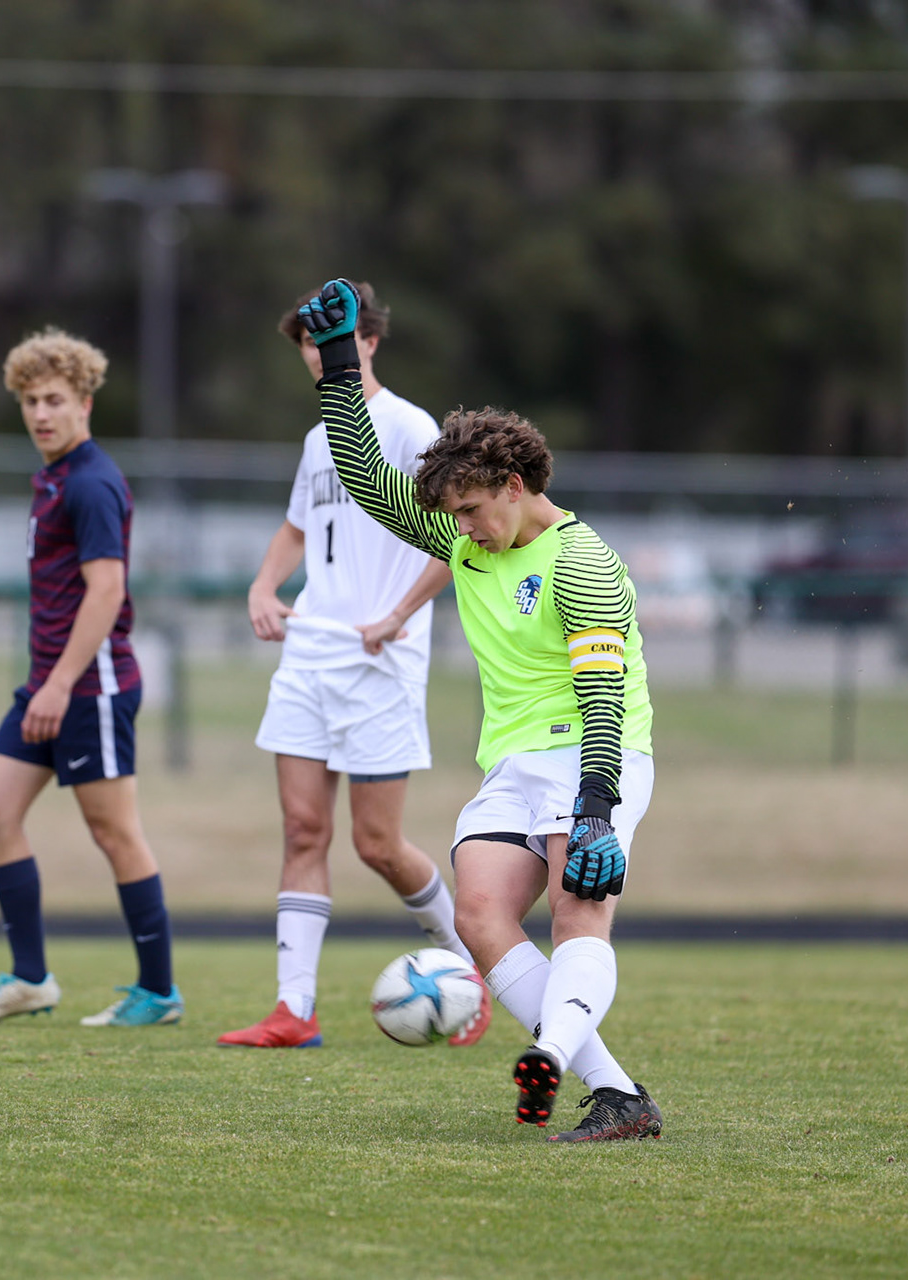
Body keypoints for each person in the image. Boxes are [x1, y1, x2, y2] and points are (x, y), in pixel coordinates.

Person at [296, 279, 663, 1142]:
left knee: (579, 912)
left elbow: (605, 693)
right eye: (451, 515)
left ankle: (555, 1051)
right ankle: (616, 1093)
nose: (460, 528)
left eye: (470, 509)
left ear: (512, 483)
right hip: (513, 763)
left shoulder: (584, 563)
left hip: (591, 763)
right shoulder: (468, 540)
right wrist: (339, 369)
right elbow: (368, 481)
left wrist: (599, 811)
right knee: (479, 916)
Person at [218, 283, 485, 1051]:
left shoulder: (408, 427)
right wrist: (265, 586)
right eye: (306, 342)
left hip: (382, 662)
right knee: (303, 830)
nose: (316, 353)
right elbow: (297, 530)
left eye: (328, 339)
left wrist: (398, 615)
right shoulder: (316, 440)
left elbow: (455, 539)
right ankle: (293, 1011)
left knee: (376, 846)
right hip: (311, 655)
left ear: (368, 340)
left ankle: (467, 968)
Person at [0, 327, 184, 1029]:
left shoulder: (90, 481)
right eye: (29, 400)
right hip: (50, 684)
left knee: (115, 834)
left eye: (54, 399)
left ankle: (159, 992)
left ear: (84, 403)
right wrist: (45, 684)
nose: (40, 413)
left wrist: (58, 685)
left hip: (91, 686)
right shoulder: (52, 476)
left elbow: (107, 593)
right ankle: (30, 980)